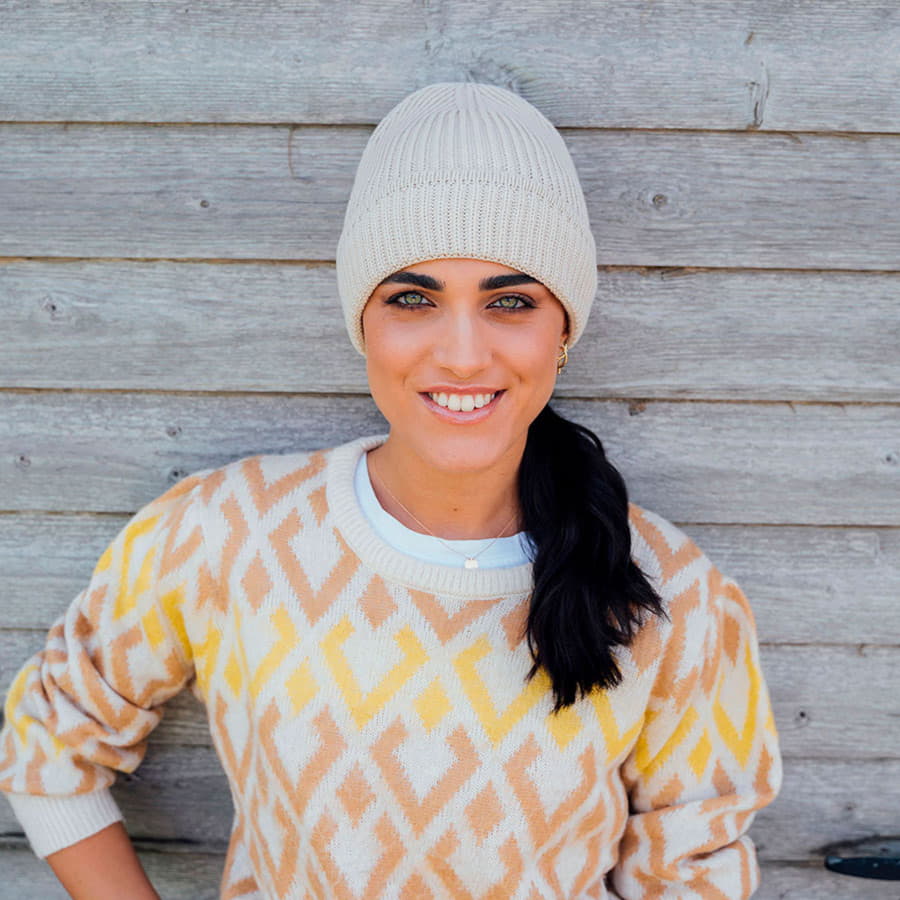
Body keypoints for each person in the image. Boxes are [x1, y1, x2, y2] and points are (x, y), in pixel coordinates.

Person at [0, 82, 782, 899]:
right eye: (412, 299)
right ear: (362, 324)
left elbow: (693, 874)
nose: (463, 355)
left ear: (563, 331)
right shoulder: (225, 532)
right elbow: (49, 743)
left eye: (510, 302)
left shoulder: (676, 593)